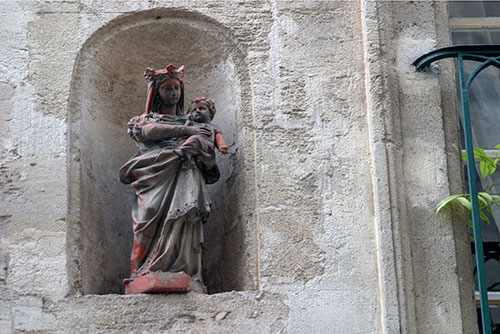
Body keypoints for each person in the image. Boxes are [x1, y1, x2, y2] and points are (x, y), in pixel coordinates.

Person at [119, 65, 222, 292]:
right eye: (167, 88)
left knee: (186, 218)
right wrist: (187, 133)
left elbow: (209, 159)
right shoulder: (145, 120)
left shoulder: (195, 121)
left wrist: (203, 150)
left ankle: (186, 271)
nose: (173, 93)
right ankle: (139, 273)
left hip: (186, 173)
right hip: (154, 176)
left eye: (176, 88)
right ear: (157, 92)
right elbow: (150, 132)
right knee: (146, 218)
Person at [174, 97, 229, 165]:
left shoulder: (214, 127)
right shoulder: (192, 124)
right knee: (185, 140)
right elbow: (184, 131)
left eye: (201, 108)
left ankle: (183, 151)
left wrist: (221, 146)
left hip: (206, 147)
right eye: (194, 110)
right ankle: (184, 154)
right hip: (193, 147)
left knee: (195, 139)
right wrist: (188, 121)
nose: (197, 111)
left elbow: (219, 137)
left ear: (211, 112)